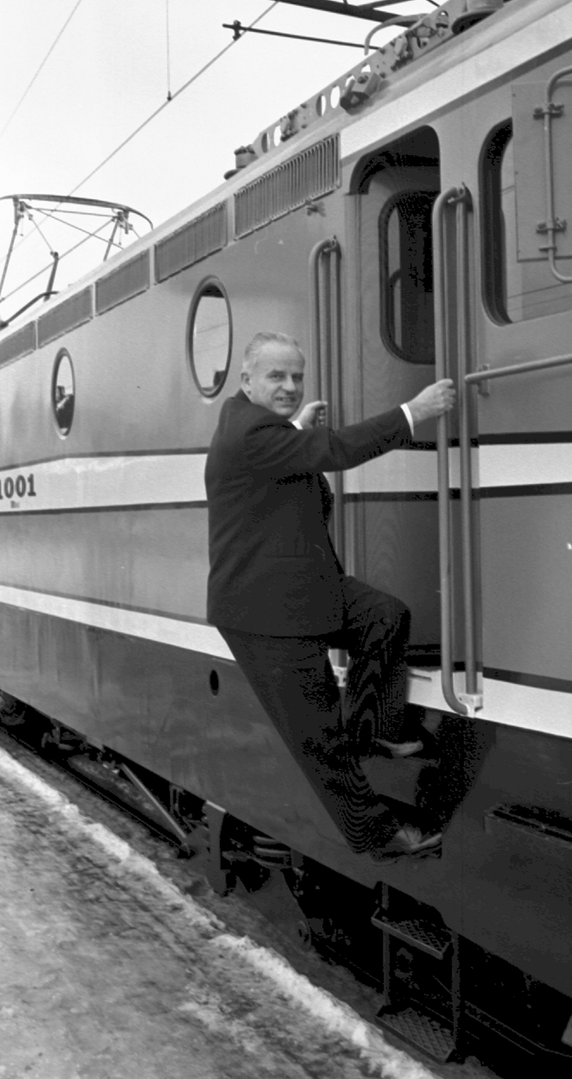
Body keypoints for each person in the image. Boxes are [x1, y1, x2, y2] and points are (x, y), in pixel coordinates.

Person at [205, 331, 455, 860]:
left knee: (385, 615)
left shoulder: (256, 426)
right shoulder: (252, 433)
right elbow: (336, 450)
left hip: (301, 590)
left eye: (297, 376)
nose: (290, 386)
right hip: (263, 611)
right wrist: (413, 412)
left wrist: (296, 428)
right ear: (246, 380)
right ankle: (377, 835)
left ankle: (374, 730)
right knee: (319, 737)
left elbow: (282, 462)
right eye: (276, 376)